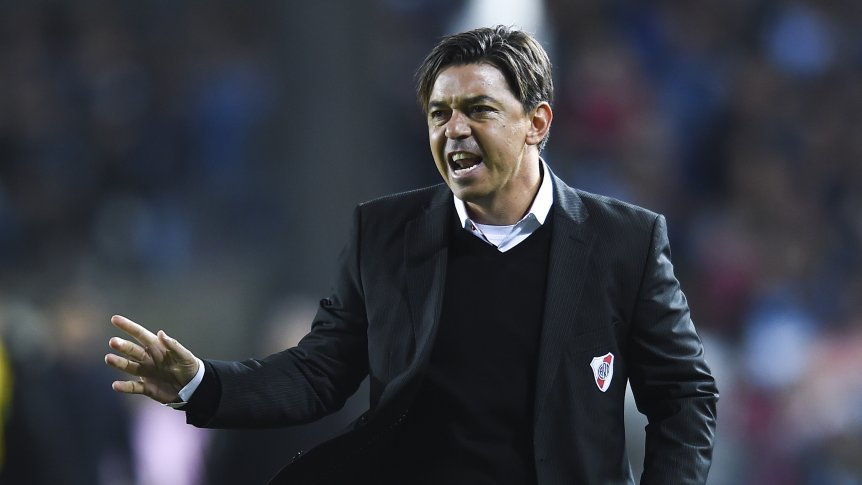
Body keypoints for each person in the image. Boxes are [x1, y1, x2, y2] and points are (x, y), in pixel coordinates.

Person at [105, 25, 718, 484]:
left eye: (479, 110)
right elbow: (320, 373)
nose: (454, 130)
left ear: (537, 122)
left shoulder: (625, 241)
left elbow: (684, 396)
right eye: (439, 114)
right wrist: (203, 384)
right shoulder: (385, 234)